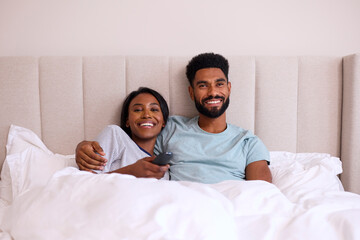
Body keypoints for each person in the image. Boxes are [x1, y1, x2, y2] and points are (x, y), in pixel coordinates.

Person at [76, 53, 272, 183]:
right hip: (179, 205)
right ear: (191, 92)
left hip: (227, 204)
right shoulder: (171, 127)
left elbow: (260, 194)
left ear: (228, 88)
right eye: (203, 85)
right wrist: (83, 146)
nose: (213, 92)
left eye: (219, 84)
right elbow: (133, 144)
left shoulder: (248, 143)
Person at [76, 87, 170, 179]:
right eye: (137, 110)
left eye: (154, 109)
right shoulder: (115, 135)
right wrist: (131, 172)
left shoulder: (162, 170)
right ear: (127, 121)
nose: (146, 115)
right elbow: (86, 181)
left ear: (163, 122)